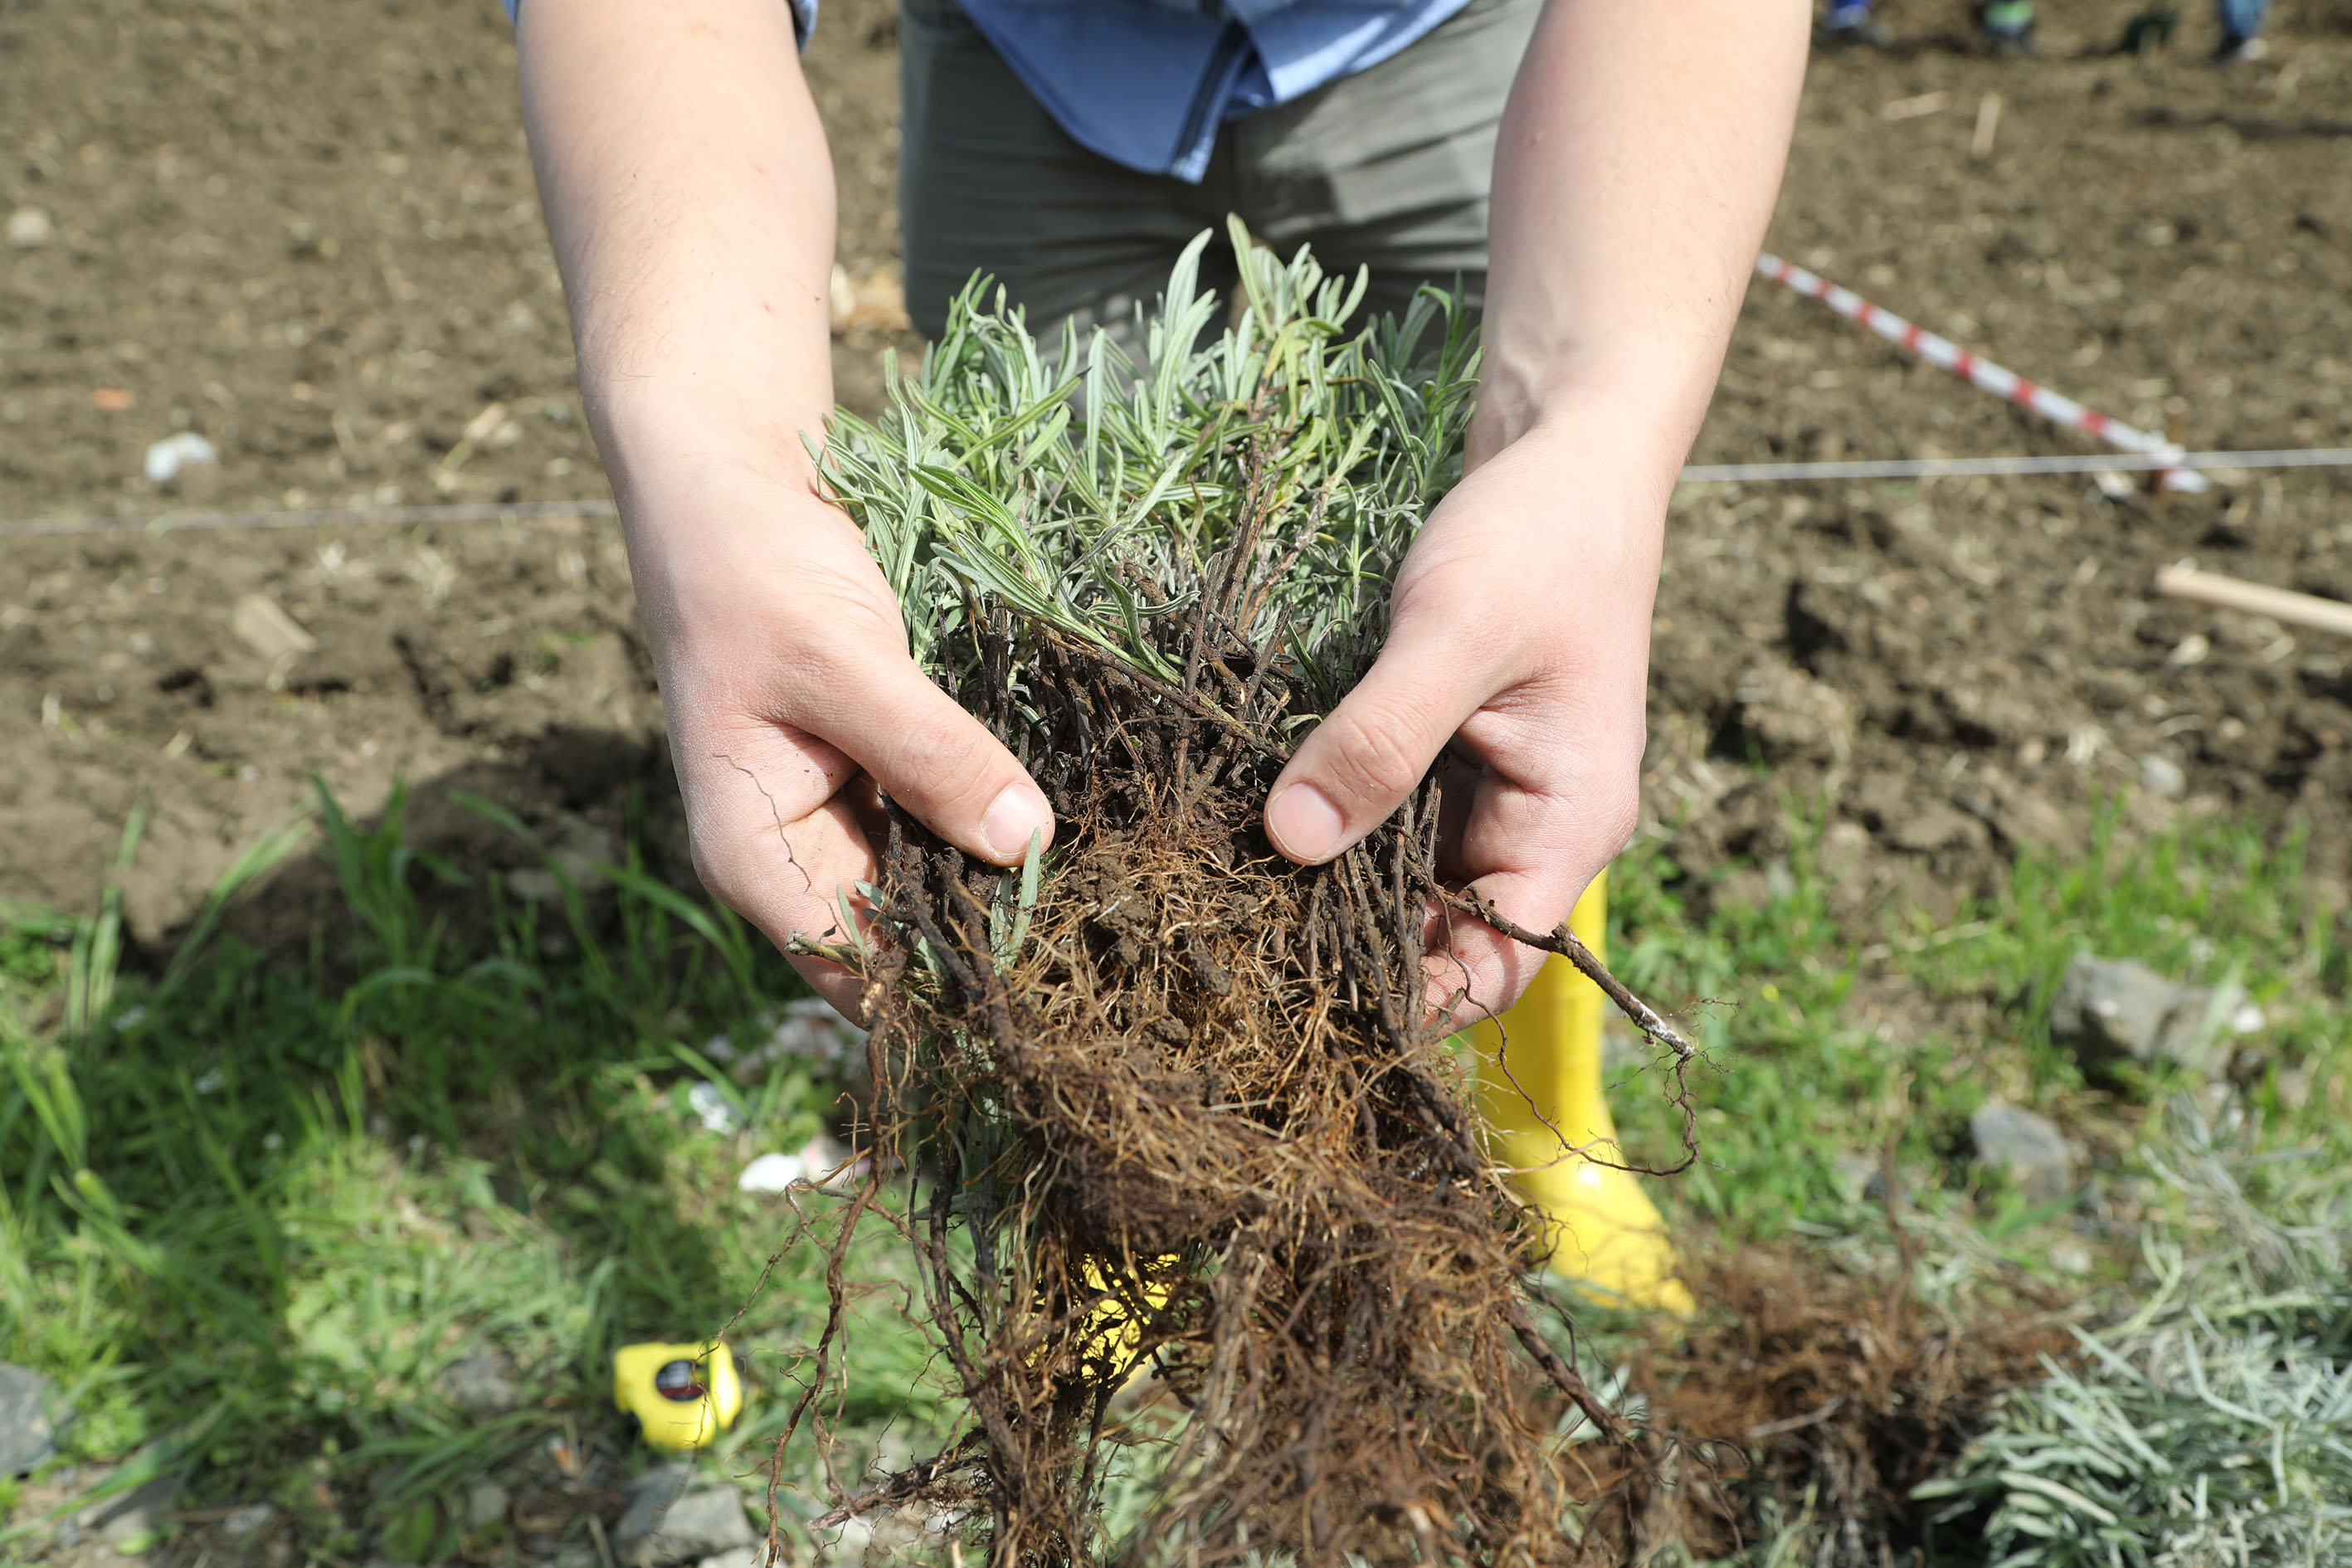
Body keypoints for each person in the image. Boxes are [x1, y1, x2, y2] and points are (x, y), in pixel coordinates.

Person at [511, 0, 1807, 1032]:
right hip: (1039, 40)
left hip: (1449, 31)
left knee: (1496, 635)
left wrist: (1589, 439)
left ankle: (1537, 1114)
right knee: (1036, 593)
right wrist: (718, 466)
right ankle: (1083, 1112)